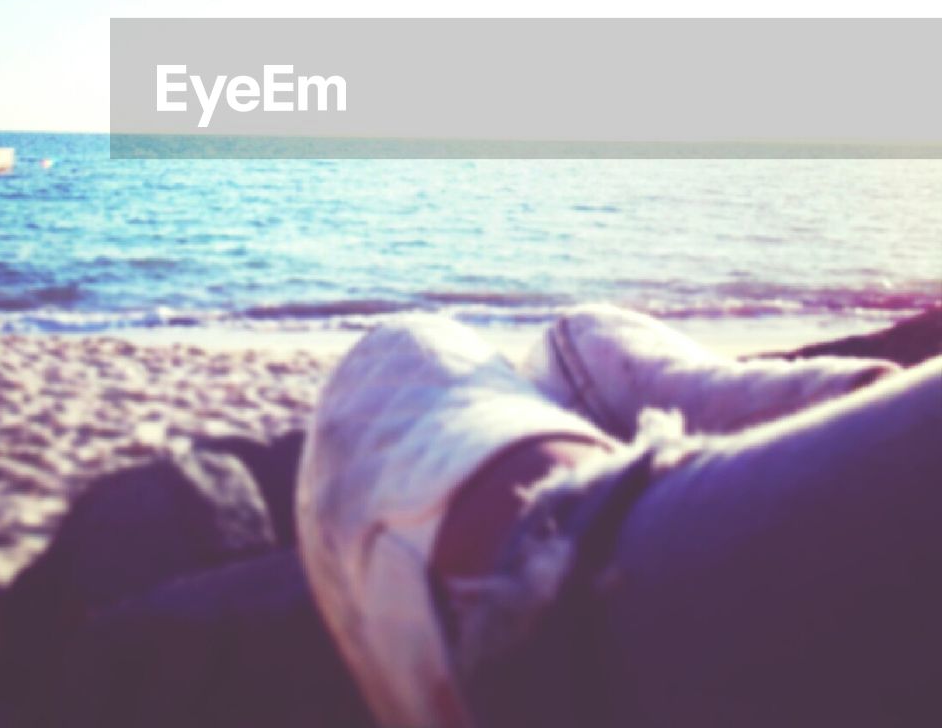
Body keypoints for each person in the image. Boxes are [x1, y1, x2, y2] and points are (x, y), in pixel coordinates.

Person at [296, 306, 941, 728]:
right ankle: (856, 413)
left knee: (404, 351)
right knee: (580, 344)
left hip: (586, 641)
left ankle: (557, 557)